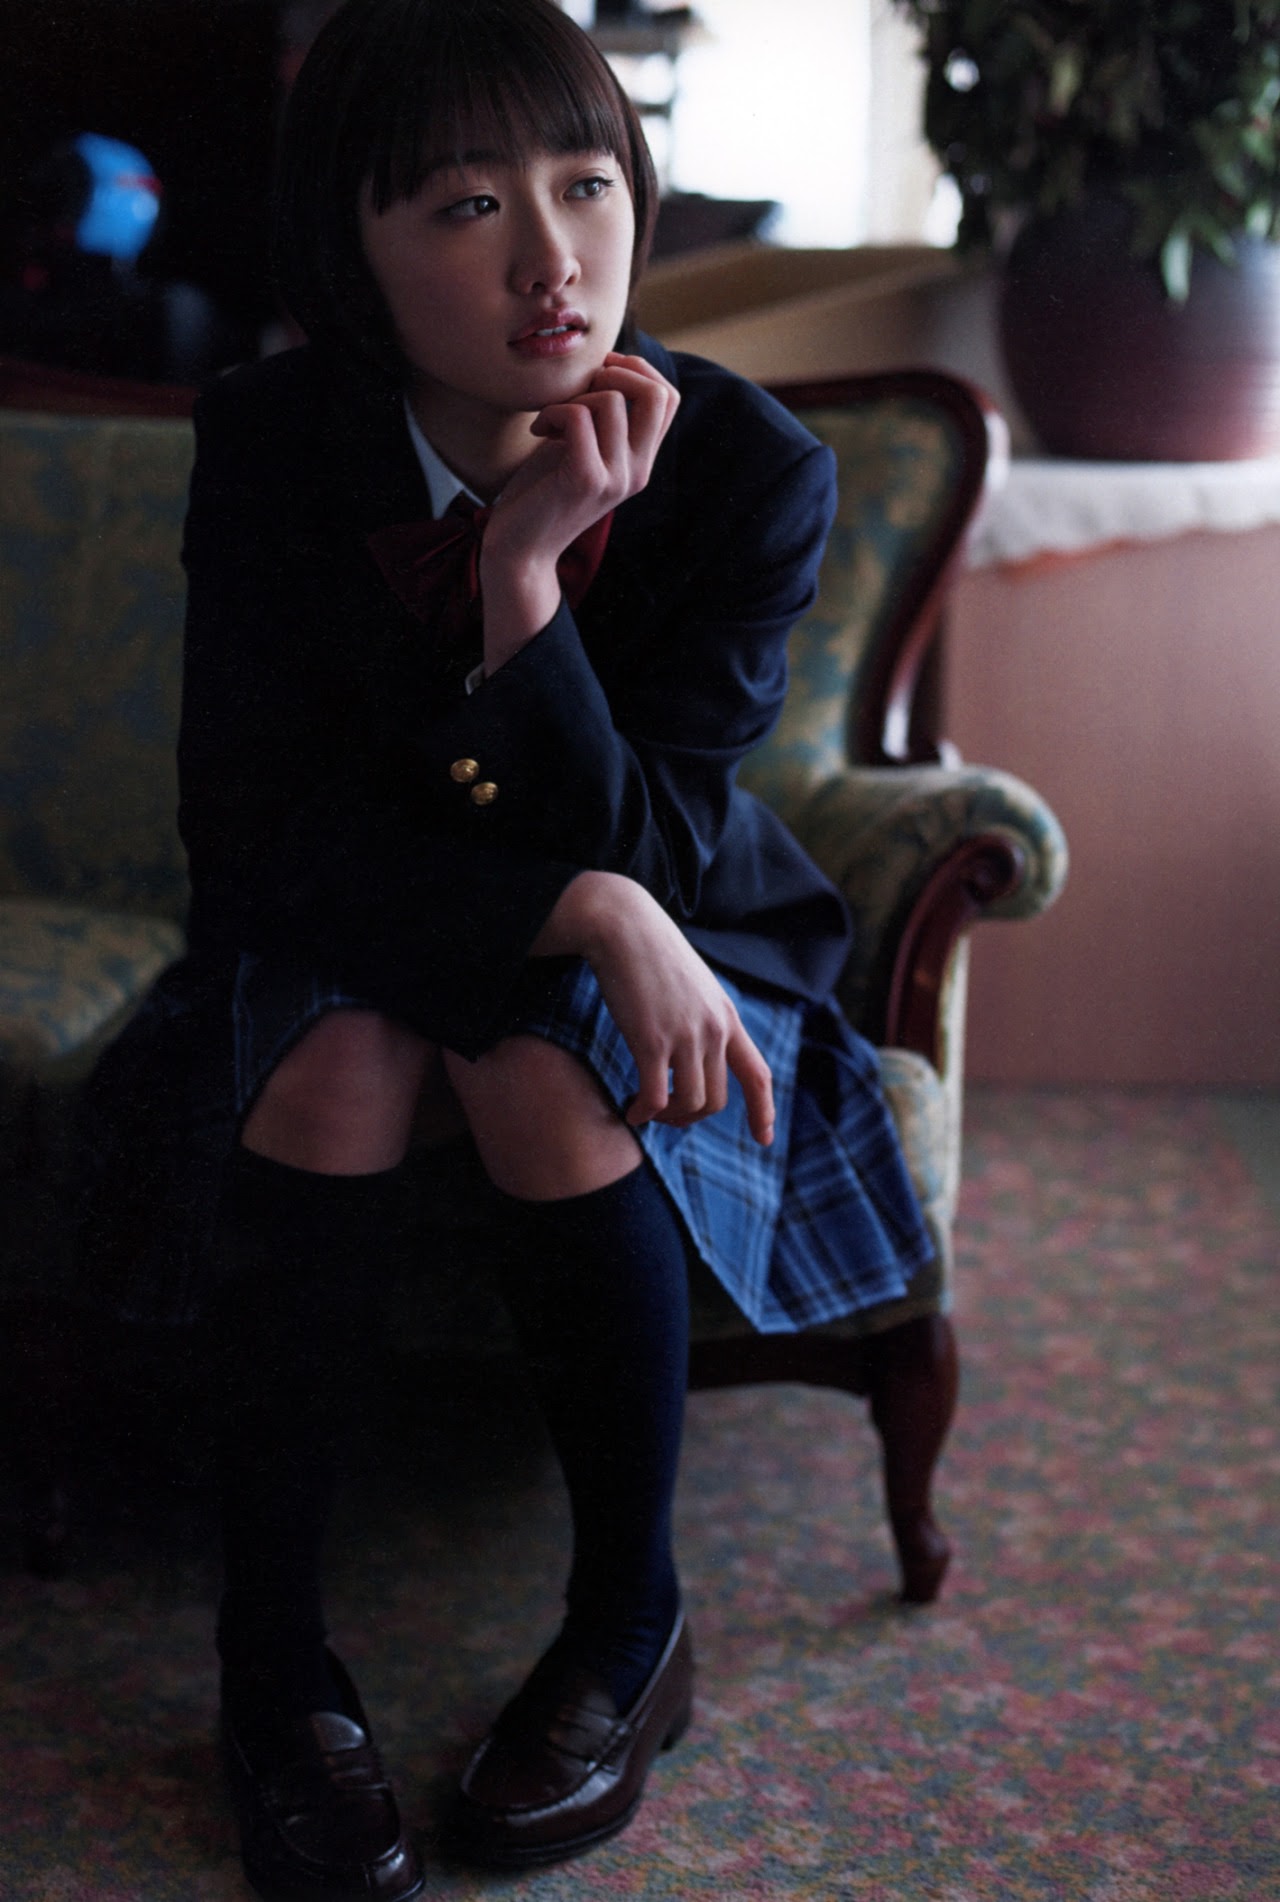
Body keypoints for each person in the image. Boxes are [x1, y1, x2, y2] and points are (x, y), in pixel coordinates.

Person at [78, 0, 935, 1893]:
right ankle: (268, 1665)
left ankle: (629, 1628)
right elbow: (256, 843)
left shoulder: (748, 467)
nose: (554, 256)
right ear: (354, 253)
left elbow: (661, 848)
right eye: (470, 205)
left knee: (543, 1056)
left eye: (586, 184)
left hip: (690, 931)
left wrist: (525, 578)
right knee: (341, 1049)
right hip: (362, 921)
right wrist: (581, 906)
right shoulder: (275, 441)